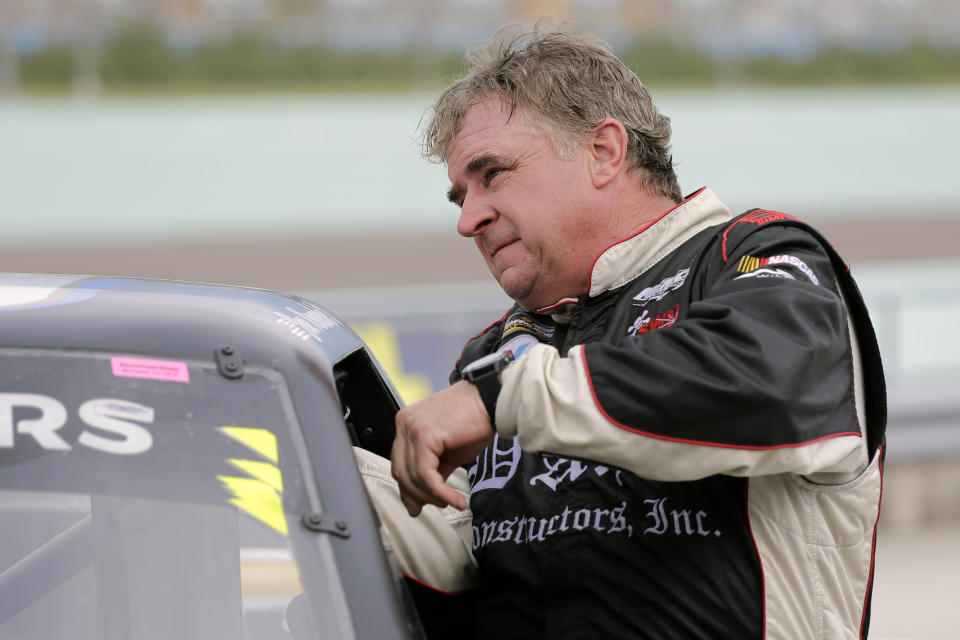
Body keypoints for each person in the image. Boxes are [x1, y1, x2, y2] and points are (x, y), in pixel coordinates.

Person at [357, 23, 886, 639]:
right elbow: (465, 574)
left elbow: (766, 383)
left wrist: (500, 398)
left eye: (492, 173)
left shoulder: (755, 258)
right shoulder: (497, 350)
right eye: (459, 196)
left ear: (604, 152)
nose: (469, 219)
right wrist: (345, 477)